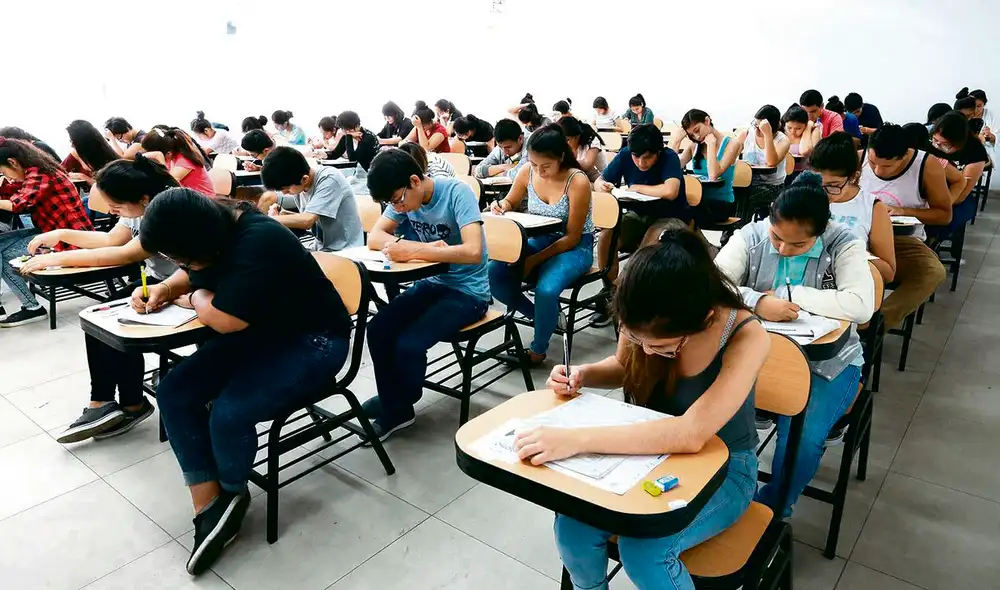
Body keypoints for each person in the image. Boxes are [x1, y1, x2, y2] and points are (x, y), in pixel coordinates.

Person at [535, 228, 768, 590]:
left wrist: (577, 439)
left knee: (645, 550)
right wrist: (582, 374)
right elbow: (625, 366)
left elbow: (690, 434)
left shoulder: (745, 335)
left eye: (662, 347)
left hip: (725, 468)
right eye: (636, 339)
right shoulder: (642, 308)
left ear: (704, 319)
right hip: (648, 455)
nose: (645, 351)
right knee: (572, 526)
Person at [137, 188, 351, 575]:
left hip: (315, 340)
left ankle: (233, 492)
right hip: (263, 334)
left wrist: (192, 298)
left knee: (229, 412)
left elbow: (223, 318)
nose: (176, 263)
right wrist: (166, 289)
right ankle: (209, 505)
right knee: (174, 390)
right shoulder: (213, 228)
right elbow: (195, 274)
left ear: (196, 241)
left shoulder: (260, 238)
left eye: (175, 255)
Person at [716, 172, 874, 517]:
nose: (783, 249)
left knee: (801, 441)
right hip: (755, 356)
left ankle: (771, 511)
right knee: (709, 415)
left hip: (828, 364)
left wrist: (791, 295)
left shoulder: (842, 243)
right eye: (777, 237)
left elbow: (862, 305)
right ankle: (720, 498)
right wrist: (757, 301)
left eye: (798, 245)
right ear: (771, 216)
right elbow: (713, 285)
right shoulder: (750, 236)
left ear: (821, 230)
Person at [19, 156, 179, 442]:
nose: (114, 212)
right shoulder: (138, 204)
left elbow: (125, 253)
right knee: (98, 316)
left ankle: (129, 403)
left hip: (184, 283)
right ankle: (105, 401)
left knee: (113, 320)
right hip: (157, 280)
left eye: (116, 207)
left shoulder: (165, 209)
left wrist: (58, 257)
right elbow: (110, 241)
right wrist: (61, 234)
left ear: (142, 198)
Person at [362, 148, 490, 440]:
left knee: (409, 343)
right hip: (432, 283)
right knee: (378, 329)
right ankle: (394, 402)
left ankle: (398, 406)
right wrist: (404, 245)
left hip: (469, 292)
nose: (398, 207)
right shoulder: (404, 196)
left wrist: (415, 249)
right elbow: (375, 236)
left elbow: (473, 251)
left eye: (397, 200)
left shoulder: (458, 193)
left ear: (415, 181)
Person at [487, 125, 595, 364]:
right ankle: (543, 316)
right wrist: (501, 206)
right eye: (534, 164)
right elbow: (511, 200)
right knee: (494, 273)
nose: (539, 171)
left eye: (545, 166)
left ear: (561, 157)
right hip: (540, 239)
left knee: (546, 290)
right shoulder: (528, 171)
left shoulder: (577, 181)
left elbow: (573, 237)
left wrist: (533, 260)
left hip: (575, 247)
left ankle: (537, 351)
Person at [860, 124, 952, 330]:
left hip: (902, 241)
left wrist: (904, 211)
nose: (877, 170)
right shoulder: (859, 158)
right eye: (873, 162)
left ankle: (875, 325)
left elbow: (944, 215)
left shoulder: (926, 165)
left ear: (904, 156)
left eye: (886, 166)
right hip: (860, 237)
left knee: (932, 272)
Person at [0, 138, 93, 327]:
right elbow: (11, 191)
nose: (6, 176)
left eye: (3, 171)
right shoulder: (34, 170)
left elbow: (19, 204)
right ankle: (30, 306)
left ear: (13, 162)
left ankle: (32, 308)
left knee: (5, 253)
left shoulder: (40, 173)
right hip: (52, 232)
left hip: (70, 238)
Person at [596, 124, 687, 284]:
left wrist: (638, 188)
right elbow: (599, 181)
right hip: (637, 215)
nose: (640, 163)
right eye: (636, 157)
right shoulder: (625, 155)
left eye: (647, 158)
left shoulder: (669, 157)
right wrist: (602, 186)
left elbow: (670, 191)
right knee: (606, 237)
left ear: (658, 152)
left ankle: (623, 289)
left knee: (648, 245)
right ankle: (609, 287)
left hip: (670, 216)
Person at [809, 133, 896, 283]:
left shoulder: (872, 207)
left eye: (834, 186)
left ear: (853, 177)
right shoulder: (803, 195)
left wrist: (851, 251)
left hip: (848, 287)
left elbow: (887, 273)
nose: (823, 193)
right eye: (817, 183)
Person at [259, 146, 363, 252]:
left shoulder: (329, 179)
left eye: (287, 189)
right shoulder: (298, 181)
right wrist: (284, 214)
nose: (284, 193)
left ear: (304, 179)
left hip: (344, 249)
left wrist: (268, 220)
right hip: (320, 246)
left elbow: (307, 221)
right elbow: (313, 219)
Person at [676, 109, 741, 223]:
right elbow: (674, 166)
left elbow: (713, 175)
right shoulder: (694, 146)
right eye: (691, 135)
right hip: (698, 200)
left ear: (707, 121)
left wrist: (711, 145)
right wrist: (677, 141)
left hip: (721, 203)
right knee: (671, 206)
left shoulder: (732, 144)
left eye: (697, 130)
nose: (696, 137)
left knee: (681, 211)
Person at [736, 105, 790, 215]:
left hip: (772, 186)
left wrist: (767, 135)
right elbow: (730, 157)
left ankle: (739, 228)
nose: (756, 130)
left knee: (744, 195)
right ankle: (732, 228)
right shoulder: (746, 135)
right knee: (733, 193)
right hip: (746, 183)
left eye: (760, 127)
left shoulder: (783, 140)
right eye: (755, 125)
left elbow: (771, 162)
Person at [140, 128, 215, 195]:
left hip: (205, 203)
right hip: (190, 199)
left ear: (168, 153)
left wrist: (158, 157)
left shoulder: (184, 161)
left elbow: (167, 185)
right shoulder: (171, 158)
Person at [62, 120, 120, 188]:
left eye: (73, 141)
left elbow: (106, 187)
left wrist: (82, 176)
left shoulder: (106, 157)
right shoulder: (76, 153)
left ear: (83, 142)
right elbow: (60, 172)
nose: (72, 145)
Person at [558, 116, 607, 182]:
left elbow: (587, 164)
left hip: (599, 180)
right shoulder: (564, 145)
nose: (564, 143)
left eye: (567, 139)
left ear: (577, 136)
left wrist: (564, 164)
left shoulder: (591, 140)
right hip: (580, 179)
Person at [782, 105, 820, 174]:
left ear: (805, 125)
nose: (793, 132)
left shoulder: (814, 131)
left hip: (805, 174)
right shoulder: (781, 133)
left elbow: (805, 151)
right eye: (789, 127)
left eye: (798, 128)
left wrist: (808, 128)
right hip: (783, 173)